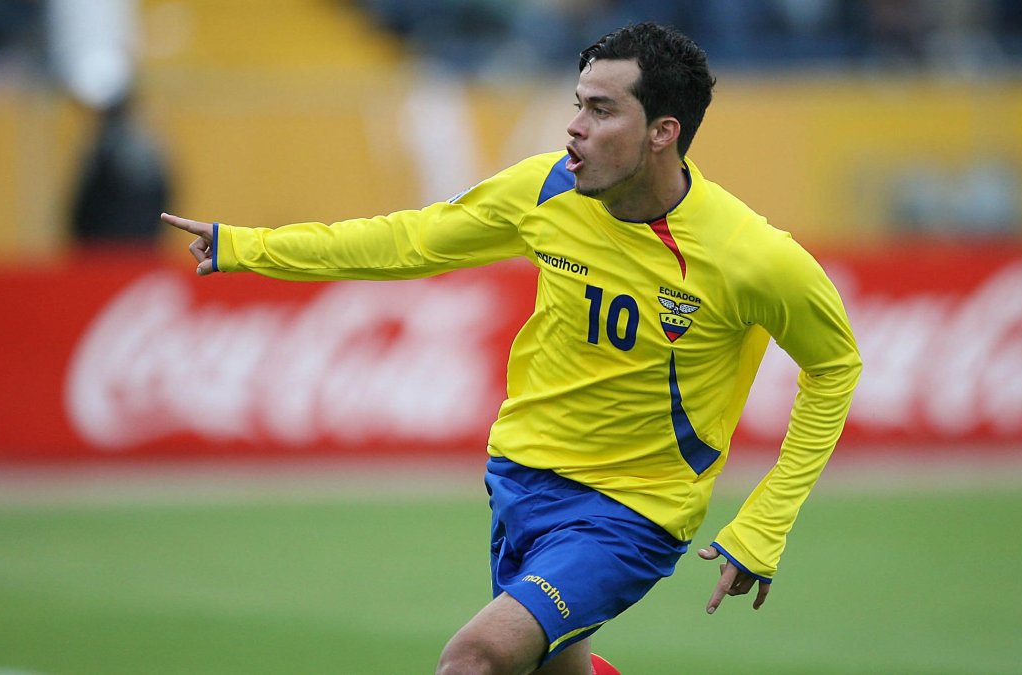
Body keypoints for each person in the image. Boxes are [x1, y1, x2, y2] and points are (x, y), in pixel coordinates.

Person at [164, 22, 861, 675]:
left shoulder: (751, 256)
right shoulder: (546, 189)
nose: (575, 125)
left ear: (662, 132)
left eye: (601, 110)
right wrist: (247, 247)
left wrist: (765, 522)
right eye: (578, 103)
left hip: (633, 512)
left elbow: (835, 365)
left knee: (475, 658)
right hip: (520, 483)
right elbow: (409, 241)